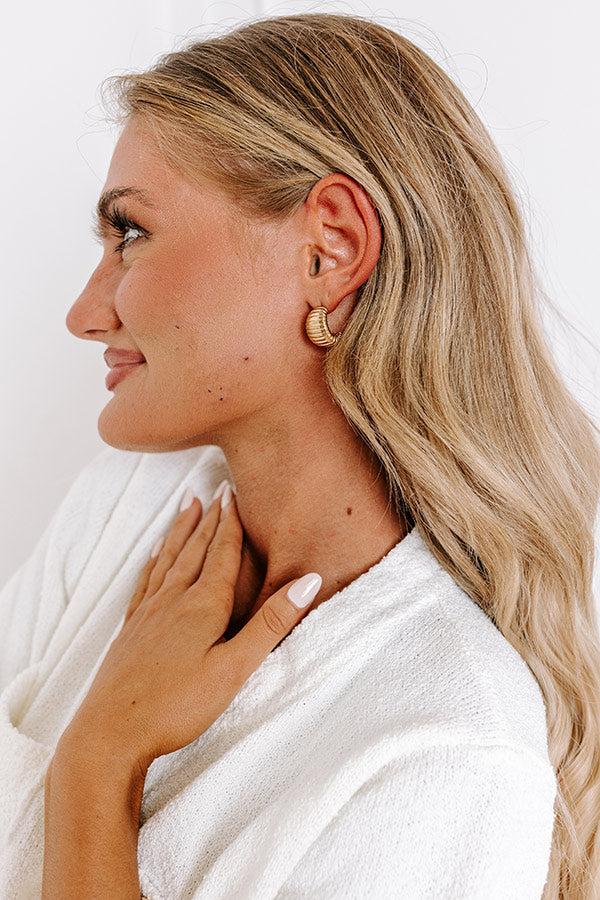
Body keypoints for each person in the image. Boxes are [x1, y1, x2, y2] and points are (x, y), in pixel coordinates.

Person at [1, 11, 599, 899]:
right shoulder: (127, 504)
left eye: (131, 232)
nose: (85, 314)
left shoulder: (450, 756)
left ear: (331, 247)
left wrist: (99, 764)